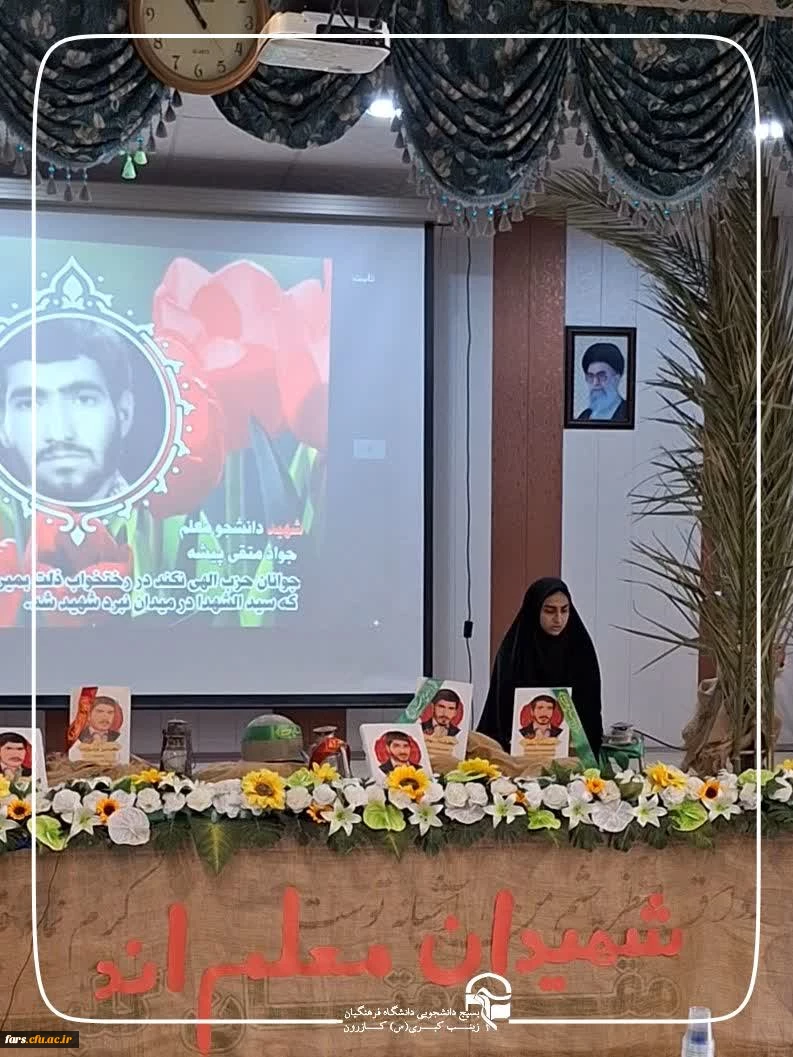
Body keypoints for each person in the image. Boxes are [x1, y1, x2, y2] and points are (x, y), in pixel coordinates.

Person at [0, 317, 135, 503]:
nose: (60, 434)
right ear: (2, 426)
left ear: (124, 413)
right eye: (29, 404)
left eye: (84, 400)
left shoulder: (167, 516)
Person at [478, 577, 603, 756]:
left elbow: (590, 710)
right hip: (517, 750)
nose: (558, 619)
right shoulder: (514, 651)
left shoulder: (581, 648)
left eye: (564, 610)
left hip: (571, 750)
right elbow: (500, 711)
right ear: (535, 610)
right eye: (550, 611)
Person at [576, 342, 629, 423]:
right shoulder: (584, 416)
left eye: (601, 376)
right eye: (590, 376)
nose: (595, 383)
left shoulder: (628, 413)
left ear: (617, 378)